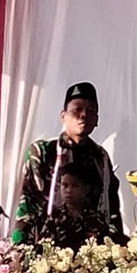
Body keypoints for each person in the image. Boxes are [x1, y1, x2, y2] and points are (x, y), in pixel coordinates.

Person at [12, 82, 124, 244]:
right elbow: (28, 205)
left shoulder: (100, 157)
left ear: (97, 120)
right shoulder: (43, 152)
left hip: (92, 249)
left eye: (91, 110)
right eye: (77, 109)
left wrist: (116, 246)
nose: (83, 115)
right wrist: (20, 249)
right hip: (49, 247)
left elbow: (111, 208)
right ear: (63, 116)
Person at [39, 163, 128, 249]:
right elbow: (42, 247)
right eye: (65, 185)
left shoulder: (96, 219)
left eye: (75, 186)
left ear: (86, 189)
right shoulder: (54, 218)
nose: (69, 190)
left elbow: (105, 247)